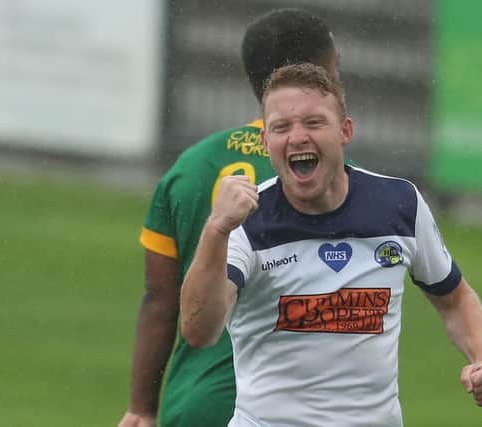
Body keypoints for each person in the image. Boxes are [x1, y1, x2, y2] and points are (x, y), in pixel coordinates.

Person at [181, 63, 482, 427]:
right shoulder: (247, 222)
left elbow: (456, 299)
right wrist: (216, 230)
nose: (298, 137)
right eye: (282, 127)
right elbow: (198, 331)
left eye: (314, 123)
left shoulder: (399, 204)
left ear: (345, 131)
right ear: (266, 142)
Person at [118, 9, 342, 427]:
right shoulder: (332, 177)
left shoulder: (191, 167)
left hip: (196, 405)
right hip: (288, 409)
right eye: (337, 65)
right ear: (322, 77)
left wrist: (141, 407)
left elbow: (159, 299)